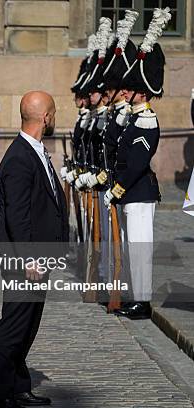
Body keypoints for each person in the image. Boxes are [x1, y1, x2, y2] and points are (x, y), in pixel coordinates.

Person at [0, 91, 68, 408]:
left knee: (27, 327)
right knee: (14, 326)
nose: (54, 118)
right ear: (45, 117)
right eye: (54, 112)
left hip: (37, 257)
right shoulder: (20, 157)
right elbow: (18, 216)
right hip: (24, 261)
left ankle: (18, 388)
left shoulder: (33, 151)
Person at [104, 8, 171, 320]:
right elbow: (115, 144)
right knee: (133, 250)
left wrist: (118, 188)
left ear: (142, 91)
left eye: (131, 89)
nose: (125, 93)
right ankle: (136, 297)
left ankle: (142, 302)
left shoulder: (146, 121)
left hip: (139, 192)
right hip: (132, 193)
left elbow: (136, 163)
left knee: (141, 250)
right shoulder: (132, 118)